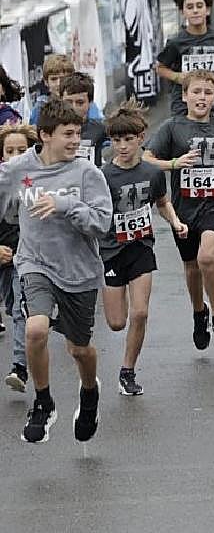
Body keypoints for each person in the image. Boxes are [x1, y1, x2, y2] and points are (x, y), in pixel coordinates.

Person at [0, 98, 113, 444]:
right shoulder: (16, 170)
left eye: (78, 133)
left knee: (80, 350)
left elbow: (102, 223)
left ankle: (90, 392)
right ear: (45, 135)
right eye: (67, 134)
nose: (74, 141)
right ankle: (44, 402)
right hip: (35, 263)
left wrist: (66, 205)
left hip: (78, 271)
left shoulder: (86, 173)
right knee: (35, 329)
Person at [144, 70, 214, 352]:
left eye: (207, 93)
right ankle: (198, 313)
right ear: (185, 96)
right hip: (184, 209)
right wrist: (175, 164)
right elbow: (147, 159)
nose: (202, 97)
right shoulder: (172, 127)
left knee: (207, 258)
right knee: (191, 267)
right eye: (196, 92)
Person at [100, 103, 185, 397]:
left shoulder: (151, 172)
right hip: (111, 251)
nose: (122, 146)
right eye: (116, 140)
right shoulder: (103, 176)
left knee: (140, 313)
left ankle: (128, 370)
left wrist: (175, 222)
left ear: (141, 138)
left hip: (141, 248)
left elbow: (162, 202)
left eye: (128, 139)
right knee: (116, 322)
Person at [0, 123, 36, 392]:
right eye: (9, 151)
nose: (15, 156)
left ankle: (19, 368)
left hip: (24, 259)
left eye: (21, 150)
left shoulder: (37, 181)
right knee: (12, 306)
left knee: (18, 310)